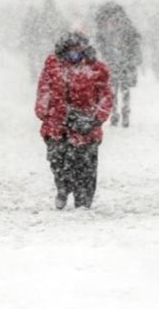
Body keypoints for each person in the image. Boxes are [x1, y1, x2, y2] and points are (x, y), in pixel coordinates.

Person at [35, 32, 112, 210]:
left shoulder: (97, 69)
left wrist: (95, 119)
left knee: (86, 166)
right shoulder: (53, 66)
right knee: (58, 160)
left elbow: (105, 96)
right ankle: (63, 187)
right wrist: (44, 113)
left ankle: (83, 200)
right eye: (70, 49)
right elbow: (44, 91)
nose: (74, 53)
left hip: (86, 126)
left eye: (78, 49)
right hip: (57, 125)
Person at [94, 2, 142, 127]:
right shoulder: (126, 23)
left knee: (112, 89)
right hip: (125, 61)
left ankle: (114, 113)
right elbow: (136, 40)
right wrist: (134, 58)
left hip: (111, 62)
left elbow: (99, 42)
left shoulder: (104, 25)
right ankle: (125, 112)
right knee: (125, 89)